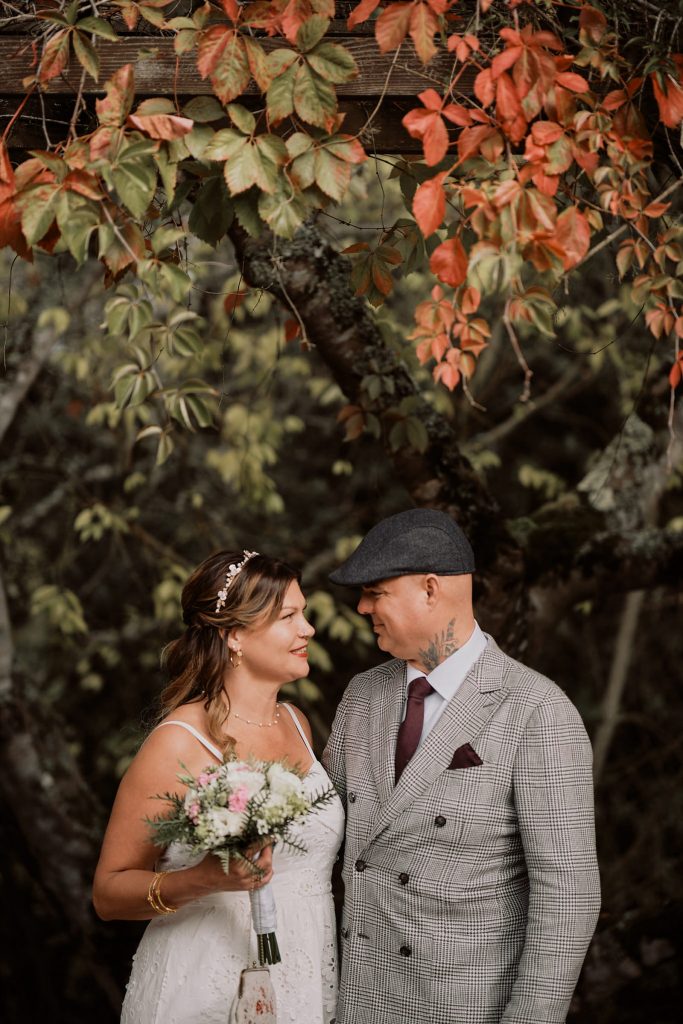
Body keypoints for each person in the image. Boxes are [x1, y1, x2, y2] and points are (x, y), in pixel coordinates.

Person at [323, 508, 601, 1024]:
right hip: (354, 1004)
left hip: (463, 1009)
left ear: (430, 590)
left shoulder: (537, 711)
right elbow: (321, 831)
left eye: (375, 592)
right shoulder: (361, 696)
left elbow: (568, 901)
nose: (362, 608)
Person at [93, 549, 344, 1024]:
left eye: (304, 614)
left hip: (303, 980)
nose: (308, 629)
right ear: (234, 636)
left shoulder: (298, 724)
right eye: (289, 615)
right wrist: (203, 879)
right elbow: (108, 893)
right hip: (201, 982)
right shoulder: (176, 743)